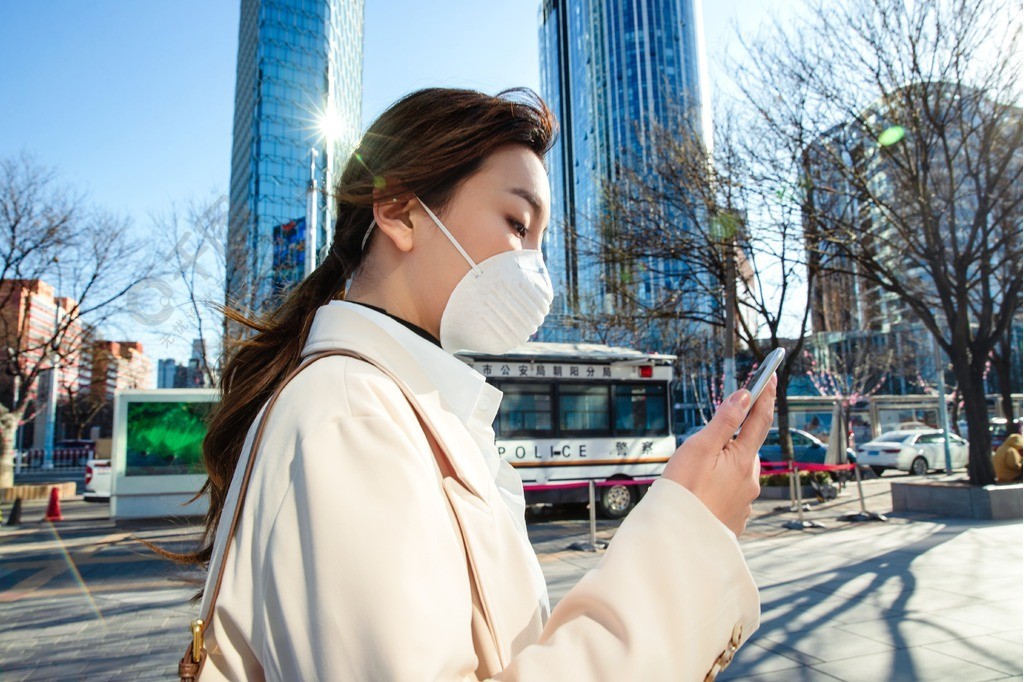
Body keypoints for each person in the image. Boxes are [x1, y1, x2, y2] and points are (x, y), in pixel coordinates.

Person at [182, 88, 775, 681]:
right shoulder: (350, 416)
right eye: (518, 223)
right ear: (398, 211)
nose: (535, 270)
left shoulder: (400, 407)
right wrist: (688, 535)